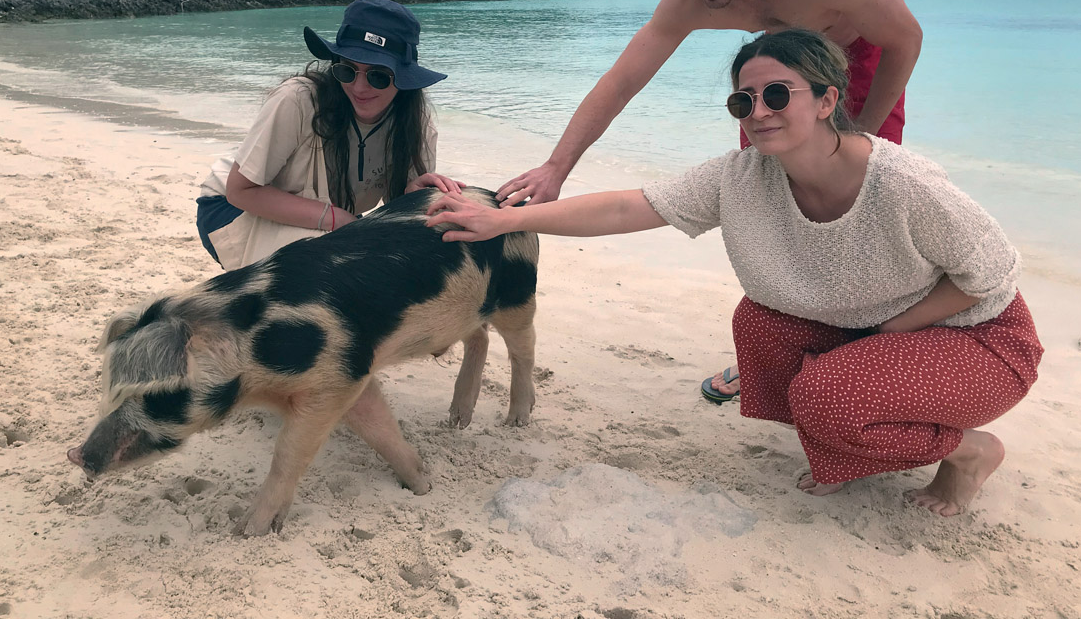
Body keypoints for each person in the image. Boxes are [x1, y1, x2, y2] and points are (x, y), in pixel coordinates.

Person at [430, 29, 1041, 517]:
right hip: (876, 331)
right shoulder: (742, 178)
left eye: (779, 94)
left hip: (980, 338)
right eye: (743, 101)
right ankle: (845, 451)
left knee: (829, 397)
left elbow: (989, 275)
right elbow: (628, 206)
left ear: (828, 99)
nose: (759, 111)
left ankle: (969, 452)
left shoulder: (903, 185)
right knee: (759, 326)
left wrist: (891, 333)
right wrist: (506, 222)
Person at [497, 0, 924, 402]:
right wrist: (557, 166)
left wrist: (862, 135)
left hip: (858, 58)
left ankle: (874, 340)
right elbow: (623, 79)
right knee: (768, 208)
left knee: (866, 204)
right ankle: (779, 355)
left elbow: (907, 38)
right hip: (777, 72)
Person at [197, 0, 464, 270]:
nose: (359, 88)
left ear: (404, 79)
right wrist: (338, 219)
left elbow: (395, 219)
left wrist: (411, 196)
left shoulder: (416, 121)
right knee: (330, 272)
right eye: (347, 71)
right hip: (232, 208)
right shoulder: (298, 99)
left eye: (378, 76)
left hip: (331, 216)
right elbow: (241, 190)